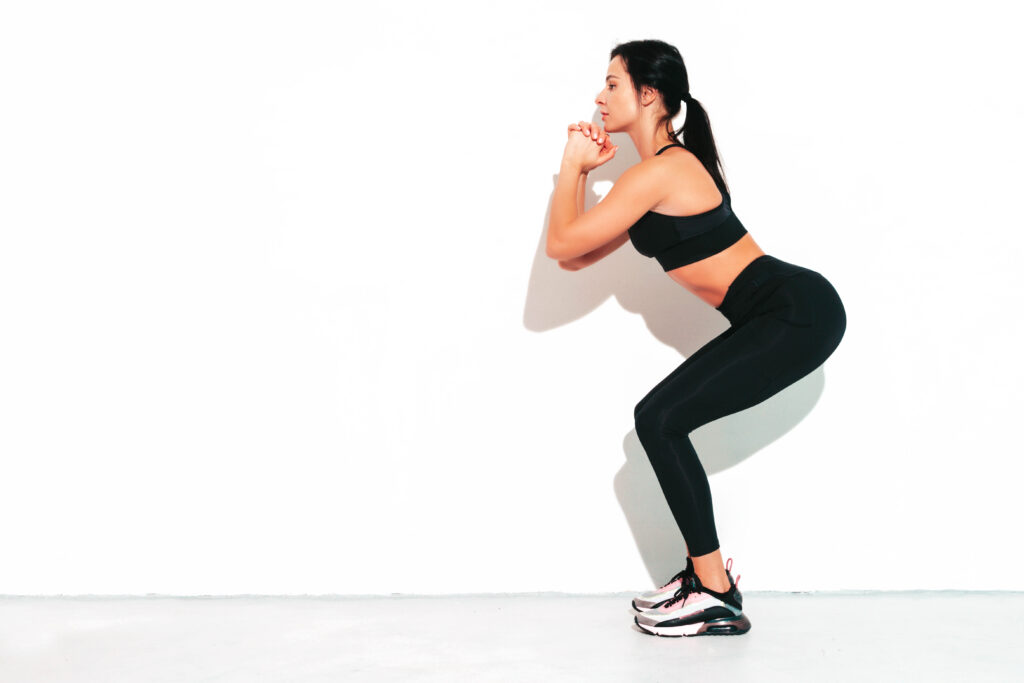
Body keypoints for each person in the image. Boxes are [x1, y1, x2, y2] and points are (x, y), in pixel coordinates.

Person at [546, 39, 847, 638]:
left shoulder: (664, 171)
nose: (600, 96)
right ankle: (705, 580)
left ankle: (713, 591)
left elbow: (560, 243)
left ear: (648, 94)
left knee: (658, 419)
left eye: (612, 84)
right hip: (784, 312)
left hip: (795, 311)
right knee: (660, 418)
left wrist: (576, 167)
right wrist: (582, 174)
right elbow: (576, 259)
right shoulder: (655, 176)